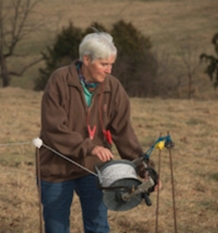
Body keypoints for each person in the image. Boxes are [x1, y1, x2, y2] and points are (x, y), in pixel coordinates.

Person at [37, 31, 158, 233]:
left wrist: (145, 168)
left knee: (98, 226)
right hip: (55, 168)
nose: (109, 70)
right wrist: (90, 147)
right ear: (86, 59)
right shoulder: (59, 81)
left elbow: (124, 133)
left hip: (95, 171)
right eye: (104, 64)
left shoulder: (114, 87)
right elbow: (53, 129)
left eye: (112, 64)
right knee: (56, 227)